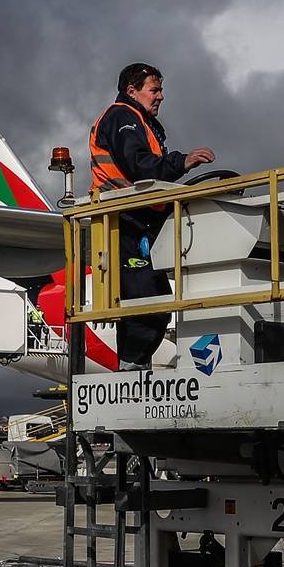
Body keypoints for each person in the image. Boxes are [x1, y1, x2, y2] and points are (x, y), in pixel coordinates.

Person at [87, 62, 216, 369]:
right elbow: (140, 167)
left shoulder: (140, 121)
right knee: (146, 303)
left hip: (139, 223)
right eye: (154, 90)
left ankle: (134, 371)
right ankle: (129, 377)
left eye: (161, 91)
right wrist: (182, 162)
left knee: (155, 304)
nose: (160, 97)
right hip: (123, 223)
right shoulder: (123, 117)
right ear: (132, 91)